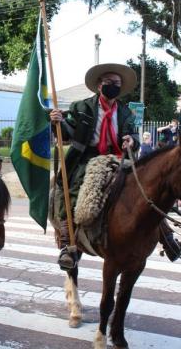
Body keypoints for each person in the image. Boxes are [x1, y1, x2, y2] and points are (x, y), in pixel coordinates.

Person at [50, 63, 180, 270]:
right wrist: (57, 122)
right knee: (72, 189)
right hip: (87, 158)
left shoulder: (126, 112)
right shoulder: (81, 107)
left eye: (116, 83)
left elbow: (134, 137)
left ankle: (167, 237)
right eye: (109, 83)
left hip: (119, 158)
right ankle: (68, 244)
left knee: (148, 191)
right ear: (99, 85)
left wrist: (131, 141)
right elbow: (66, 133)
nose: (113, 86)